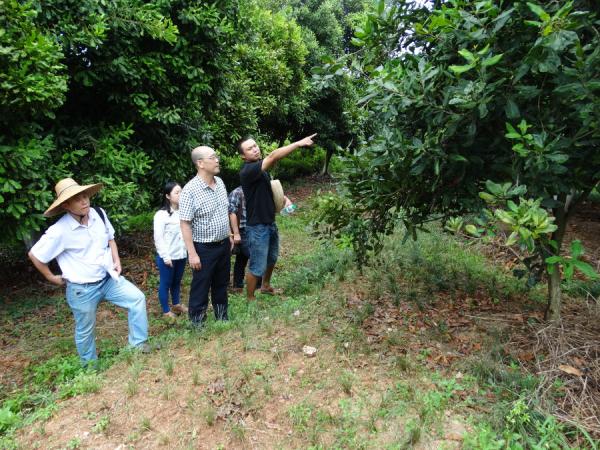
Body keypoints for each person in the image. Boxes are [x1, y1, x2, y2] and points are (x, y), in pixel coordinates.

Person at [28, 178, 150, 364]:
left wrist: (116, 260)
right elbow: (35, 254)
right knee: (85, 329)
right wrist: (51, 277)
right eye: (78, 199)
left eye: (85, 196)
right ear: (67, 205)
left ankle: (138, 345)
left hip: (108, 279)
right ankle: (90, 367)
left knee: (137, 299)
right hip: (82, 289)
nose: (84, 201)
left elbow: (110, 238)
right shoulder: (59, 230)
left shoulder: (98, 214)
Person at [238, 134, 316, 301]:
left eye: (255, 145)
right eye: (250, 148)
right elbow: (273, 156)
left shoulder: (261, 171)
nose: (255, 149)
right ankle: (250, 298)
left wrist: (284, 199)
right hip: (257, 226)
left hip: (269, 222)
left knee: (272, 257)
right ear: (243, 156)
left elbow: (269, 190)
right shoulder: (248, 170)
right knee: (257, 265)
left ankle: (265, 286)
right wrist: (298, 143)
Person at [179, 146, 233, 327]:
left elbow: (225, 210)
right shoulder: (190, 190)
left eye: (217, 156)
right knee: (201, 286)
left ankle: (222, 317)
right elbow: (185, 223)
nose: (217, 160)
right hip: (204, 248)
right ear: (200, 163)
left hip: (224, 243)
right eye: (213, 157)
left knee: (221, 283)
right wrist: (192, 253)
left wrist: (230, 235)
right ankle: (197, 323)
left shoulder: (220, 183)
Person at [153, 182, 188, 319]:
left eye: (181, 192)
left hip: (181, 254)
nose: (180, 195)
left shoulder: (183, 212)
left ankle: (176, 304)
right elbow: (158, 238)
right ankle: (166, 311)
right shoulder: (161, 215)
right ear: (168, 196)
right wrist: (165, 257)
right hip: (168, 256)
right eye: (177, 192)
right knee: (166, 283)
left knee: (177, 281)